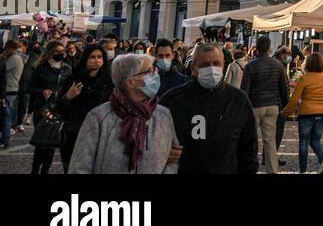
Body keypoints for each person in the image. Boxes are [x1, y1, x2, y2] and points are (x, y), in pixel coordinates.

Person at [68, 52, 180, 174]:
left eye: (154, 69)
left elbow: (172, 161)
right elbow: (80, 166)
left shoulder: (163, 115)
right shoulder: (99, 118)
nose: (155, 74)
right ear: (130, 82)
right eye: (149, 71)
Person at [161, 42, 258, 174]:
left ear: (223, 64)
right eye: (205, 65)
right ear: (194, 68)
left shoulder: (238, 100)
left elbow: (249, 148)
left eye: (216, 63)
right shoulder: (173, 100)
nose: (212, 69)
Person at [53, 42, 114, 171]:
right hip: (74, 132)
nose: (96, 60)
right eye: (92, 57)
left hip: (99, 133)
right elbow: (58, 108)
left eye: (99, 57)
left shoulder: (109, 82)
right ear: (85, 59)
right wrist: (68, 97)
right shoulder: (74, 78)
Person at [282, 51, 323, 173]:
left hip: (306, 114)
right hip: (322, 114)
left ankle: (303, 170)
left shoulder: (304, 78)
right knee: (315, 140)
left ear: (308, 64)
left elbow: (294, 99)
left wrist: (285, 113)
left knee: (304, 142)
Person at [242, 36, 289, 173]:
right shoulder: (278, 65)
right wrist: (284, 106)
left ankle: (249, 166)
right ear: (269, 48)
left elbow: (244, 90)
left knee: (250, 139)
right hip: (273, 106)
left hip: (255, 106)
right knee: (270, 141)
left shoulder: (251, 66)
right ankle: (272, 170)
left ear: (256, 48)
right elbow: (284, 88)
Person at [28, 41, 68, 174]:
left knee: (51, 143)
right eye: (58, 52)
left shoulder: (66, 69)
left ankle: (45, 170)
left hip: (58, 110)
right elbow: (30, 87)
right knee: (41, 142)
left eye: (63, 52)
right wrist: (42, 91)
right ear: (50, 53)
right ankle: (35, 170)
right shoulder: (40, 68)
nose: (61, 54)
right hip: (42, 109)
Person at [1, 40, 25, 149]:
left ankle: (5, 139)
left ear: (10, 48)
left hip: (9, 89)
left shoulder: (14, 58)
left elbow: (2, 67)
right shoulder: (17, 57)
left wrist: (2, 57)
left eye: (6, 48)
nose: (5, 50)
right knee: (6, 115)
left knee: (6, 116)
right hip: (11, 89)